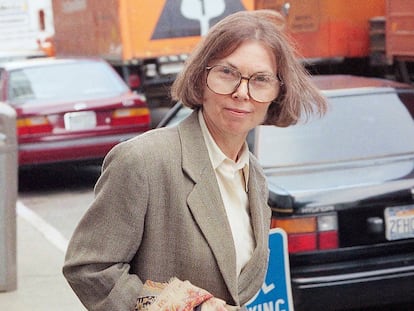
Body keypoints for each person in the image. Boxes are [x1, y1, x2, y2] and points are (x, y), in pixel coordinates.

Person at [63, 9, 327, 311]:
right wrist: (185, 306)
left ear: (278, 92)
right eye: (227, 73)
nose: (242, 92)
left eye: (261, 79)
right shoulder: (143, 161)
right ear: (201, 79)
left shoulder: (253, 176)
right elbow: (89, 268)